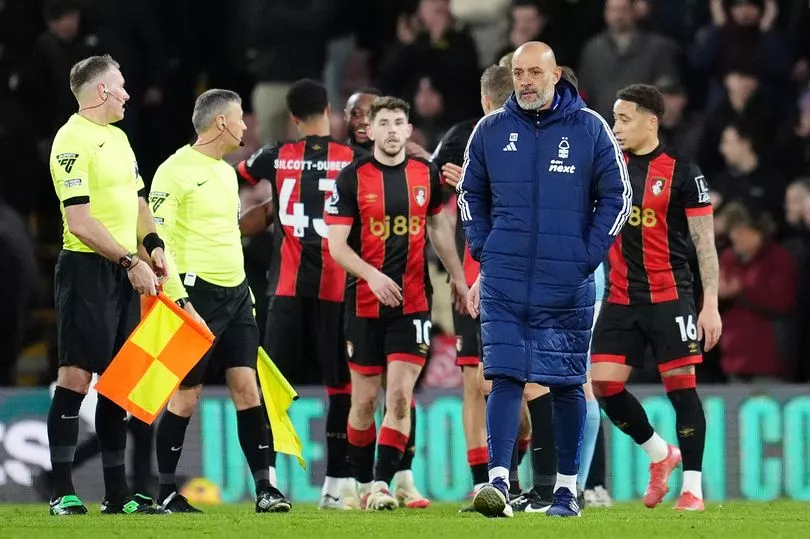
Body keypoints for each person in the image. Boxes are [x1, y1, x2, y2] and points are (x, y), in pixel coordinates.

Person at [458, 41, 631, 518]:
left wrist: (586, 255)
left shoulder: (590, 128)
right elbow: (469, 194)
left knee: (568, 383)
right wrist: (484, 248)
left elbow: (618, 197)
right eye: (519, 74)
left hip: (566, 279)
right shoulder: (490, 130)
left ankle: (568, 491)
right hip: (505, 277)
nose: (527, 82)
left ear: (557, 76)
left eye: (536, 72)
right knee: (503, 376)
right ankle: (497, 484)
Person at [149, 89, 290, 514]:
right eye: (241, 118)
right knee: (186, 396)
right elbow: (157, 244)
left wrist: (244, 290)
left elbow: (228, 236)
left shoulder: (227, 173)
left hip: (235, 296)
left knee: (248, 389)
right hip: (194, 296)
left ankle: (266, 489)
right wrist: (180, 301)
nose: (247, 124)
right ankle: (167, 491)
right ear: (222, 123)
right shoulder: (173, 171)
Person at [326, 96, 468, 510]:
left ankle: (381, 484)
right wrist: (371, 274)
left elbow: (439, 224)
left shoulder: (425, 173)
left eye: (398, 123)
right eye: (383, 122)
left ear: (409, 131)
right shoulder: (352, 179)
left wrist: (457, 278)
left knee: (402, 396)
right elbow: (336, 246)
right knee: (364, 402)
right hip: (364, 305)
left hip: (413, 304)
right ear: (369, 131)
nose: (391, 130)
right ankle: (360, 481)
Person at [591, 83, 723, 512]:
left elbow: (704, 243)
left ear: (652, 121)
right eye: (614, 119)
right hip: (622, 296)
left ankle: (693, 490)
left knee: (682, 391)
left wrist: (710, 304)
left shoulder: (683, 170)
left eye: (624, 119)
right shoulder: (606, 167)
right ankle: (659, 454)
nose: (616, 127)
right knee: (604, 386)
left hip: (671, 295)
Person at [45, 54, 164, 516]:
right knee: (76, 377)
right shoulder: (70, 141)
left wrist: (151, 244)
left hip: (124, 267)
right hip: (86, 269)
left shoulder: (119, 139)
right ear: (101, 92)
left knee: (119, 383)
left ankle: (118, 496)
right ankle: (62, 491)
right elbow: (79, 221)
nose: (128, 94)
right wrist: (129, 258)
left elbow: (138, 201)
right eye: (122, 86)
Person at [237, 79, 359, 509]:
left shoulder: (275, 155)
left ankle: (268, 484)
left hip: (285, 290)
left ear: (292, 118)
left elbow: (236, 174)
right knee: (340, 386)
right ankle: (337, 486)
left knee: (270, 387)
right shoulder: (352, 160)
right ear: (329, 109)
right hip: (334, 287)